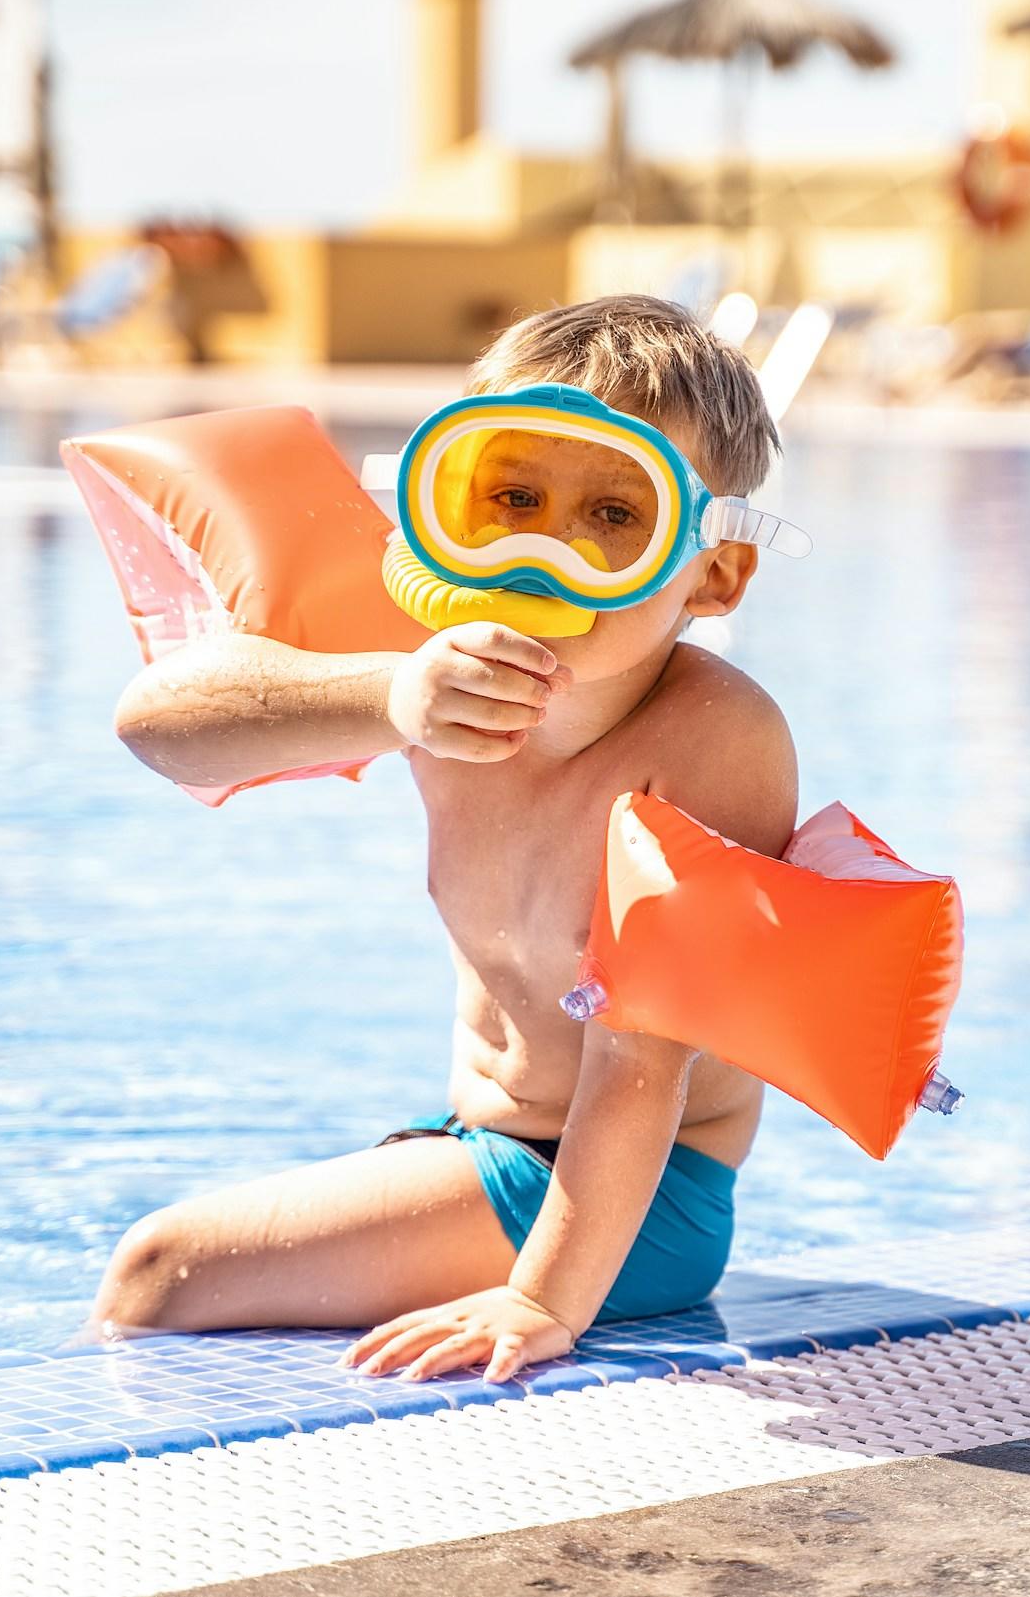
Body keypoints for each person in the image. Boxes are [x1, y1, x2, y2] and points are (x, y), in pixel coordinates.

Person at [84, 295, 798, 1386]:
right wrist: (390, 696)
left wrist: (543, 1297)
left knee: (157, 1271)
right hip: (485, 1144)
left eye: (616, 514)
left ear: (712, 572)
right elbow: (160, 727)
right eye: (510, 495)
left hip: (636, 1198)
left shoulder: (712, 743)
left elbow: (642, 1054)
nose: (543, 550)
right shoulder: (435, 668)